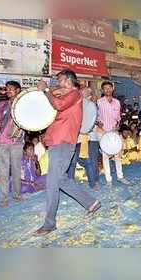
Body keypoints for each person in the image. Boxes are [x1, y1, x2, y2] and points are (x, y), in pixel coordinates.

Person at [33, 69, 101, 237]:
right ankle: (91, 203)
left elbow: (59, 105)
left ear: (68, 80)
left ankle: (49, 224)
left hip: (63, 142)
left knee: (52, 183)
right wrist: (49, 91)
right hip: (58, 142)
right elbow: (56, 100)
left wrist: (46, 90)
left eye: (60, 79)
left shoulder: (75, 94)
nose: (57, 82)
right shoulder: (66, 94)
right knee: (61, 180)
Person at [0, 80, 25, 208]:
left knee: (17, 169)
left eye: (10, 88)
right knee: (3, 171)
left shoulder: (23, 104)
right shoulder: (2, 105)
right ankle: (3, 199)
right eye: (6, 89)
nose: (7, 91)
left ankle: (17, 195)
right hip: (2, 142)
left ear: (18, 90)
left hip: (17, 142)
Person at [97, 81, 129, 186]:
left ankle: (120, 176)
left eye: (109, 88)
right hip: (103, 132)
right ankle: (108, 180)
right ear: (102, 90)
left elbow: (118, 117)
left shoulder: (117, 102)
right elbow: (95, 116)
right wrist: (98, 123)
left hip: (114, 131)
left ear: (112, 89)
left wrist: (118, 125)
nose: (108, 90)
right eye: (105, 88)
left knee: (117, 154)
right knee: (105, 156)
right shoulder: (99, 102)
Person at [67, 87, 100, 190]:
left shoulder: (92, 107)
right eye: (81, 93)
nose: (82, 95)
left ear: (89, 95)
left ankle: (93, 183)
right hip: (75, 138)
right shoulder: (75, 105)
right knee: (72, 162)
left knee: (89, 161)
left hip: (88, 138)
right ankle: (70, 183)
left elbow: (92, 122)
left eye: (84, 93)